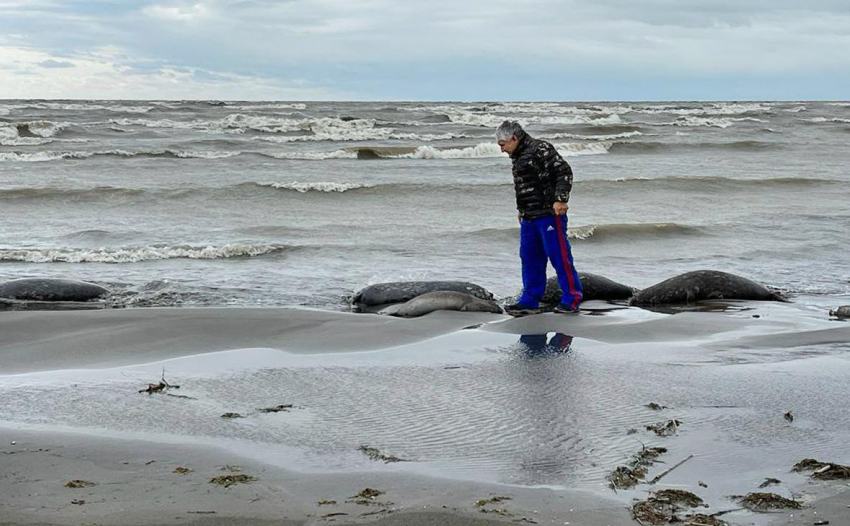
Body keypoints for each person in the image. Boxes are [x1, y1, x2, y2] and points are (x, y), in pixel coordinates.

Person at [496, 120, 582, 315]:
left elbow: (564, 171)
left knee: (559, 257)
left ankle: (572, 298)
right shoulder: (517, 156)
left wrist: (561, 199)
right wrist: (522, 209)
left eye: (503, 145)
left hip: (550, 214)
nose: (502, 150)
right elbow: (525, 186)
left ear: (514, 138)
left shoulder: (540, 148)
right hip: (529, 216)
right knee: (529, 258)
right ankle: (530, 299)